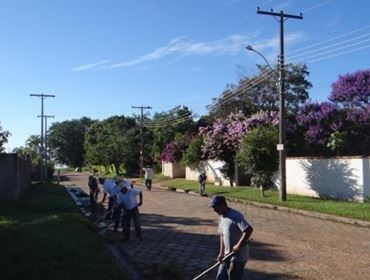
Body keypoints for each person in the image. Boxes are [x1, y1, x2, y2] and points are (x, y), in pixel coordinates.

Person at [209, 195, 253, 280]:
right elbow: (222, 235)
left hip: (237, 257)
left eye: (215, 207)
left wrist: (238, 245)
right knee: (220, 277)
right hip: (226, 255)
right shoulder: (222, 217)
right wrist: (221, 253)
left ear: (222, 205)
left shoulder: (235, 216)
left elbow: (249, 230)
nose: (214, 210)